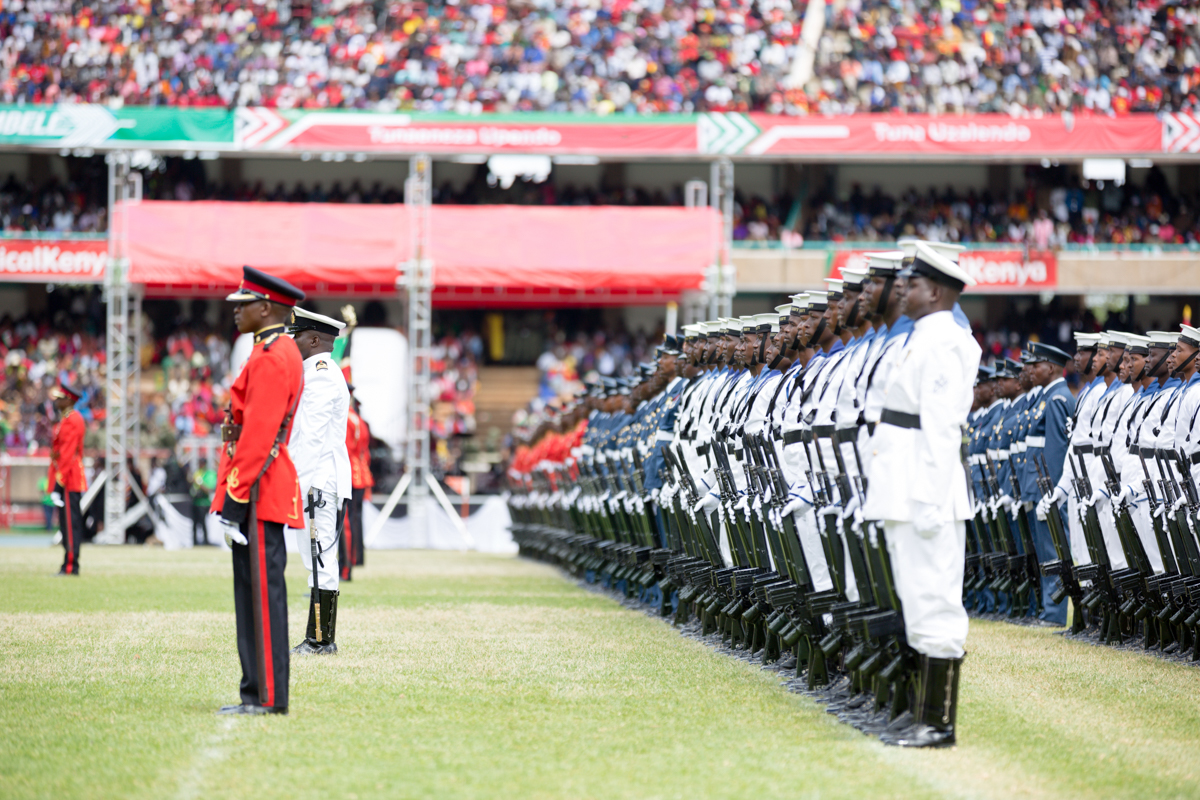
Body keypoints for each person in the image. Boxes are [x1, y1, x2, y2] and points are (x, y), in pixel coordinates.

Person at [862, 241, 982, 748]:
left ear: (934, 291)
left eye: (911, 284)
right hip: (905, 487)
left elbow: (939, 429)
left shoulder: (944, 343)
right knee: (916, 598)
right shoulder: (924, 337)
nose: (902, 291)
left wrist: (931, 501)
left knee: (934, 601)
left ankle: (937, 723)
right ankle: (921, 714)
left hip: (922, 492)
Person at [212, 266, 305, 716]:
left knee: (263, 597)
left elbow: (260, 436)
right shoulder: (271, 349)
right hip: (259, 484)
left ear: (265, 307)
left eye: (242, 304)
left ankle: (267, 697)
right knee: (252, 593)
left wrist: (234, 498)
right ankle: (257, 689)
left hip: (259, 486)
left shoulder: (272, 355)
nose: (235, 310)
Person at [286, 307, 352, 655]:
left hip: (317, 482)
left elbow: (310, 440)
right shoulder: (315, 372)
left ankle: (321, 639)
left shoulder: (321, 375)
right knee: (314, 558)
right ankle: (318, 637)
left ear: (313, 340)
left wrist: (294, 487)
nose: (290, 343)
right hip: (316, 480)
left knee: (319, 558)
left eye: (295, 336)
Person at [48, 383, 86, 576]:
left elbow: (68, 453)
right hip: (65, 476)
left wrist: (58, 482)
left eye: (60, 398)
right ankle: (67, 563)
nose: (56, 401)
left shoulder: (73, 420)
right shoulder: (65, 419)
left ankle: (71, 565)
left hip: (69, 477)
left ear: (69, 400)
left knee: (71, 524)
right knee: (65, 524)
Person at [190, 458, 216, 546]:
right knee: (194, 524)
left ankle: (205, 542)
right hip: (195, 501)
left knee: (203, 523)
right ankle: (194, 542)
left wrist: (199, 483)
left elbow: (209, 489)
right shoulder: (197, 473)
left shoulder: (210, 474)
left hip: (204, 503)